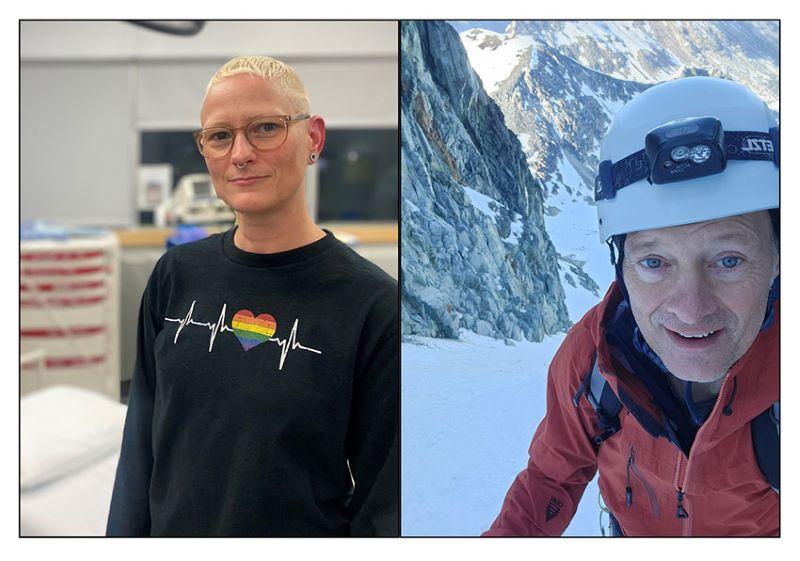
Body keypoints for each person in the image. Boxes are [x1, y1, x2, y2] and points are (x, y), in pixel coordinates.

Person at [107, 56, 399, 537]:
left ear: (313, 138)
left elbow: (384, 507)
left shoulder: (373, 307)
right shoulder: (175, 275)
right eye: (220, 136)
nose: (240, 154)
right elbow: (139, 450)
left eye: (266, 128)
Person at [484, 77, 779, 537]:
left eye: (728, 260)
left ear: (779, 258)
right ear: (621, 268)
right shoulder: (595, 359)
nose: (691, 310)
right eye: (654, 263)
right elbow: (551, 478)